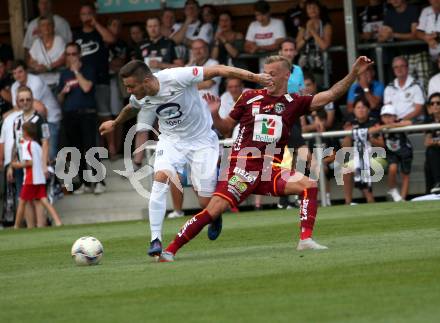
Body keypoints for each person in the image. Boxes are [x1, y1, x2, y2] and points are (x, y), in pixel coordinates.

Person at [158, 55, 374, 262]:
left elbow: (331, 94)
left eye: (272, 73)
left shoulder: (294, 102)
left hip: (271, 170)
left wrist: (354, 73)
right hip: (241, 169)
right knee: (212, 211)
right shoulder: (250, 96)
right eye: (265, 73)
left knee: (309, 185)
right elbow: (225, 130)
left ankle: (305, 240)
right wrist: (215, 114)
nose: (267, 77)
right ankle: (169, 251)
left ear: (286, 75)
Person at [99, 60, 272, 258]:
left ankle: (214, 215)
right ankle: (155, 239)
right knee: (160, 177)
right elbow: (131, 107)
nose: (128, 90)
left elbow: (221, 70)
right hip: (171, 141)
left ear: (146, 81)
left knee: (205, 202)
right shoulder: (141, 95)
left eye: (131, 86)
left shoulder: (177, 77)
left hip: (202, 142)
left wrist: (256, 78)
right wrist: (115, 122)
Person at [57, 42, 104, 195]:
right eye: (68, 54)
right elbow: (60, 99)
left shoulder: (88, 69)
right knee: (76, 150)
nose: (71, 57)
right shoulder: (64, 74)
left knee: (91, 148)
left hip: (87, 113)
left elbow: (86, 87)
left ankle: (99, 182)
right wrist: (63, 92)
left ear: (79, 54)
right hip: (70, 115)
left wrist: (77, 72)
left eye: (73, 54)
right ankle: (85, 183)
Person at [74, 3, 115, 159]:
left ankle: (112, 149)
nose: (86, 17)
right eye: (83, 14)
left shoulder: (99, 32)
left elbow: (110, 38)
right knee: (91, 117)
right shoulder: (76, 36)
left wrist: (95, 23)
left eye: (89, 13)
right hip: (83, 82)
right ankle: (98, 151)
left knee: (105, 115)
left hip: (101, 80)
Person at [7, 86, 50, 226]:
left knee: (38, 198)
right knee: (24, 199)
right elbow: (15, 143)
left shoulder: (40, 119)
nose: (25, 102)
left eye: (28, 99)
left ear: (33, 100)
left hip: (35, 165)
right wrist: (10, 166)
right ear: (17, 102)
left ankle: (41, 228)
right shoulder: (16, 121)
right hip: (21, 164)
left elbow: (45, 142)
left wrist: (44, 165)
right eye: (22, 100)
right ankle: (31, 230)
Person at [13, 122, 62, 229]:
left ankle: (16, 226)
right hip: (39, 178)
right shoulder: (37, 145)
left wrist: (17, 165)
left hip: (31, 178)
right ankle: (58, 221)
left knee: (22, 201)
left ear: (25, 132)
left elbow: (29, 162)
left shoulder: (27, 145)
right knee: (44, 200)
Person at [11, 60, 61, 161]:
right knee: (35, 155)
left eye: (20, 71)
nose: (17, 75)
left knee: (50, 154)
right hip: (34, 121)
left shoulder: (35, 81)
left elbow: (32, 107)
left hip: (51, 119)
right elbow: (16, 108)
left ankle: (52, 175)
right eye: (14, 73)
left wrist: (20, 105)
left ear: (26, 71)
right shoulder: (14, 86)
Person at [378, 0, 430, 88]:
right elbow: (381, 37)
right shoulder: (389, 13)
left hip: (419, 52)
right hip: (402, 54)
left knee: (424, 84)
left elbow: (415, 34)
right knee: (407, 86)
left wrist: (392, 34)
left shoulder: (413, 9)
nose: (394, 0)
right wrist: (383, 36)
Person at [342, 97, 384, 205]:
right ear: (354, 110)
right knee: (346, 169)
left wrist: (369, 139)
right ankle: (348, 203)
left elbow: (382, 145)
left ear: (368, 110)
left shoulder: (374, 123)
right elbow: (344, 147)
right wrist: (347, 134)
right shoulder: (351, 124)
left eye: (363, 107)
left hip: (375, 156)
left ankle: (370, 200)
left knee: (363, 164)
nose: (361, 110)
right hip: (357, 156)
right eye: (358, 107)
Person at [374, 104, 413, 201]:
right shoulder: (380, 126)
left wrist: (392, 125)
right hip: (391, 152)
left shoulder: (399, 122)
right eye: (385, 116)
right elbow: (376, 135)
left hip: (405, 151)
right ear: (381, 117)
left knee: (406, 175)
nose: (387, 119)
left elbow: (409, 123)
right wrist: (381, 128)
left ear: (395, 116)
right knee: (392, 168)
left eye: (390, 116)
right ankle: (393, 190)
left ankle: (403, 198)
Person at [296, 0, 332, 86]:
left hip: (320, 65)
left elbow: (324, 46)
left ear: (320, 9)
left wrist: (312, 31)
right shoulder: (303, 27)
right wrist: (307, 36)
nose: (312, 10)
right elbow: (297, 47)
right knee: (304, 90)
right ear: (306, 11)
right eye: (309, 8)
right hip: (304, 65)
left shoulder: (326, 25)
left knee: (319, 89)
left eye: (315, 7)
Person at [245, 0, 286, 72]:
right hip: (261, 65)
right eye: (257, 15)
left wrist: (258, 47)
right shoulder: (253, 25)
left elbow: (278, 45)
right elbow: (247, 45)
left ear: (269, 12)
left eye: (263, 14)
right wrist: (251, 49)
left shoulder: (278, 23)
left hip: (278, 64)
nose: (260, 18)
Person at [108, 18, 128, 159]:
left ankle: (118, 149)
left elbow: (120, 63)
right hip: (102, 82)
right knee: (104, 116)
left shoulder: (121, 44)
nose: (116, 28)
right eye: (114, 24)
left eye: (119, 26)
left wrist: (110, 64)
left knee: (118, 116)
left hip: (117, 81)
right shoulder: (101, 42)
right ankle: (108, 150)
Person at [28, 16, 66, 89]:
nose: (46, 27)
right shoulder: (36, 43)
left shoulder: (59, 40)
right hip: (40, 82)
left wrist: (48, 67)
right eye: (43, 25)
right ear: (39, 28)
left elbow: (63, 59)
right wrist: (36, 66)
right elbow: (31, 61)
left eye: (49, 24)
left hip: (57, 81)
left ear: (53, 26)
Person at [384, 56, 425, 121]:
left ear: (407, 68)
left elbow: (419, 109)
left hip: (414, 124)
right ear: (393, 70)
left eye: (402, 66)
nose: (399, 69)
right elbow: (388, 109)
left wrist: (402, 120)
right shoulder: (389, 88)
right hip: (395, 124)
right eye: (396, 67)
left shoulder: (416, 85)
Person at [424, 92, 440, 194]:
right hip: (436, 151)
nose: (435, 106)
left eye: (438, 103)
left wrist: (434, 141)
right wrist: (437, 141)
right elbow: (427, 142)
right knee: (430, 152)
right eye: (432, 103)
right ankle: (436, 185)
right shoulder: (429, 120)